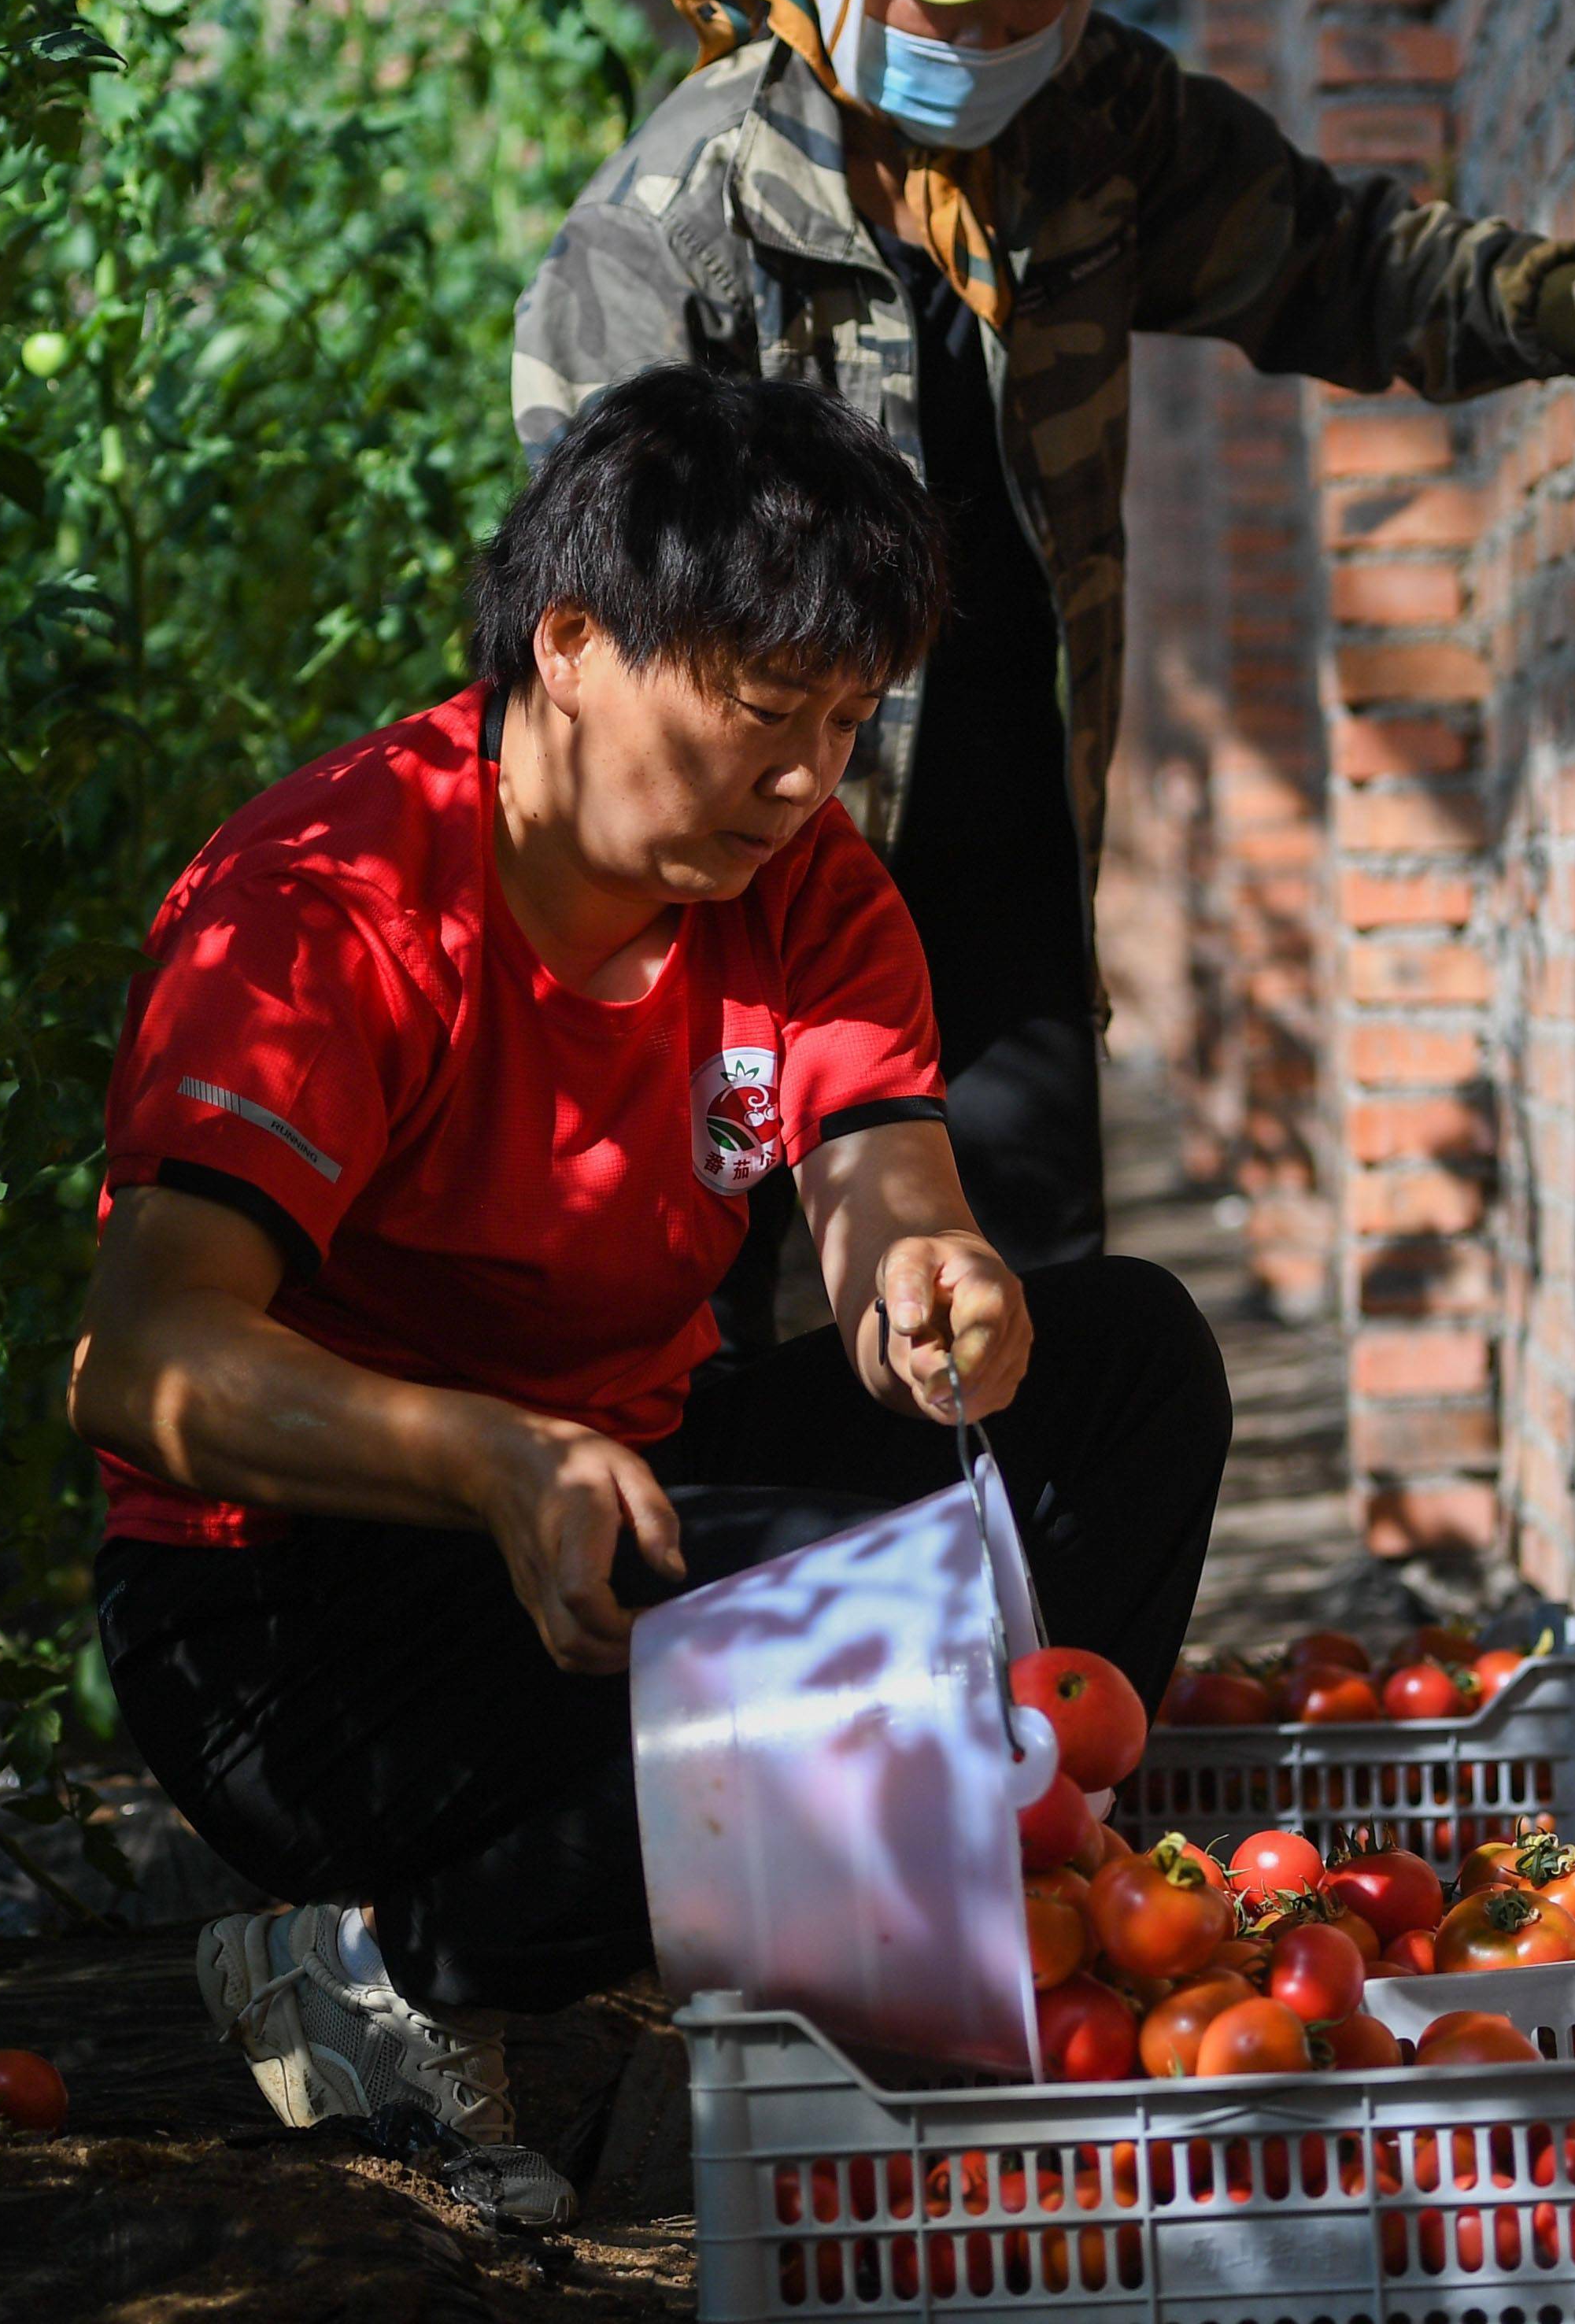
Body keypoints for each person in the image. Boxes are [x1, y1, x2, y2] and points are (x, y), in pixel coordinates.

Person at [68, 368, 1231, 2230]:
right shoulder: (325, 904)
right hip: (288, 1609)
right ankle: (393, 1962)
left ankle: (1014, 1908)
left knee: (1125, 1366)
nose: (806, 782)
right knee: (865, 1657)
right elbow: (144, 1361)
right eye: (766, 715)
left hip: (623, 1495)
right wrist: (488, 1461)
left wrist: (942, 1289)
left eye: (847, 724)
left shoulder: (808, 891)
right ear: (576, 644)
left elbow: (884, 1200)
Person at [512, 0, 1575, 1345]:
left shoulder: (1087, 127)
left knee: (1016, 1296)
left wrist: (1560, 302)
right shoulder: (667, 232)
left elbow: (1327, 257)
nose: (996, 29)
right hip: (733, 862)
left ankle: (1034, 1615)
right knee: (734, 1313)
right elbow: (588, 621)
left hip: (996, 830)